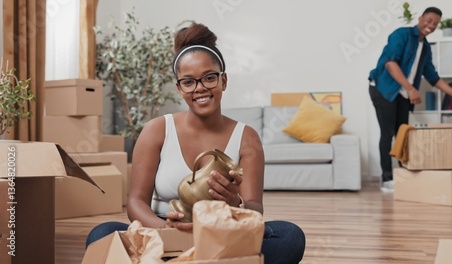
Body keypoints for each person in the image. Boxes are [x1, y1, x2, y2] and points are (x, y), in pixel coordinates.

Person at [85, 22, 305, 264]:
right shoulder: (157, 130)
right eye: (189, 82)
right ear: (180, 88)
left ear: (224, 80)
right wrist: (168, 231)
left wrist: (235, 204)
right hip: (164, 231)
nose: (200, 89)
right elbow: (136, 202)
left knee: (289, 235)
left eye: (209, 78)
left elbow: (254, 209)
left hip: (222, 234)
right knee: (101, 234)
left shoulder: (247, 137)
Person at [368, 7, 452, 193]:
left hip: (402, 93)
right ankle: (386, 178)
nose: (431, 25)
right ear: (420, 18)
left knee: (403, 133)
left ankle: (402, 174)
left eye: (435, 23)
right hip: (383, 89)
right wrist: (411, 89)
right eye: (429, 20)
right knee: (388, 133)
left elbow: (434, 78)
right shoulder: (401, 35)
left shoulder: (425, 48)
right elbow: (390, 64)